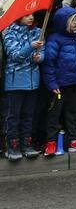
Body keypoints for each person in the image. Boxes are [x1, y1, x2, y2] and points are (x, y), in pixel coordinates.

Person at [42, 8, 76, 156]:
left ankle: (74, 140)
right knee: (54, 113)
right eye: (73, 20)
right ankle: (51, 141)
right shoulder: (54, 39)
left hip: (73, 83)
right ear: (64, 23)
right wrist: (52, 84)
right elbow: (48, 63)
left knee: (72, 112)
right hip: (59, 86)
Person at [4, 14, 44, 161]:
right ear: (18, 16)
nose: (31, 17)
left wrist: (40, 57)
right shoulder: (10, 32)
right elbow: (15, 55)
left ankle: (27, 144)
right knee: (13, 116)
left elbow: (42, 51)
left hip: (33, 81)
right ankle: (12, 146)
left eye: (32, 14)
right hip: (15, 82)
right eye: (27, 15)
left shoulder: (38, 32)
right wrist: (31, 47)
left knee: (29, 115)